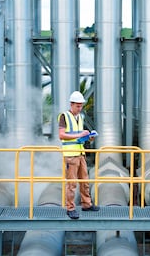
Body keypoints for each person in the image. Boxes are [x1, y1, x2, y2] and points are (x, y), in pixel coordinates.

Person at [58, 91, 99, 219]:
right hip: (70, 155)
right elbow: (62, 135)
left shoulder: (80, 117)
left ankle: (87, 204)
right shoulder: (64, 116)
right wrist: (79, 135)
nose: (80, 108)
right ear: (71, 104)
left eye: (81, 106)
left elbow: (77, 135)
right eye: (77, 106)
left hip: (80, 153)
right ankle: (70, 208)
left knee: (85, 181)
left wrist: (87, 136)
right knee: (71, 183)